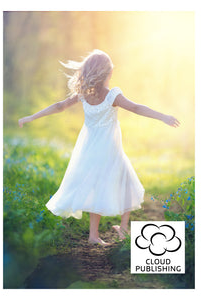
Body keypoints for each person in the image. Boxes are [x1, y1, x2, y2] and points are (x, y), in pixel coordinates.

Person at [18, 49, 180, 246]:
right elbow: (136, 108)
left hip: (89, 149)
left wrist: (31, 117)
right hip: (110, 149)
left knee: (101, 186)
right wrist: (163, 116)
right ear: (108, 73)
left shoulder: (84, 94)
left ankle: (98, 234)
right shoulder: (113, 95)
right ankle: (120, 229)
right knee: (127, 183)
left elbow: (59, 106)